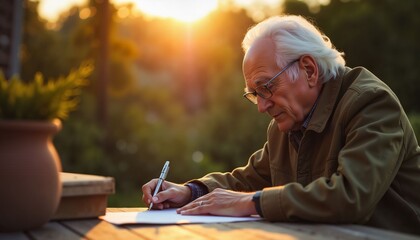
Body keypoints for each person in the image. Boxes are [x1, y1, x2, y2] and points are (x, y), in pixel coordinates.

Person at [142, 15, 420, 235]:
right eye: (254, 94)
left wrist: (249, 203)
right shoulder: (287, 124)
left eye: (266, 87)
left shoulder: (370, 104)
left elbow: (349, 197)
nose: (262, 106)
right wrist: (190, 191)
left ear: (309, 70)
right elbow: (247, 180)